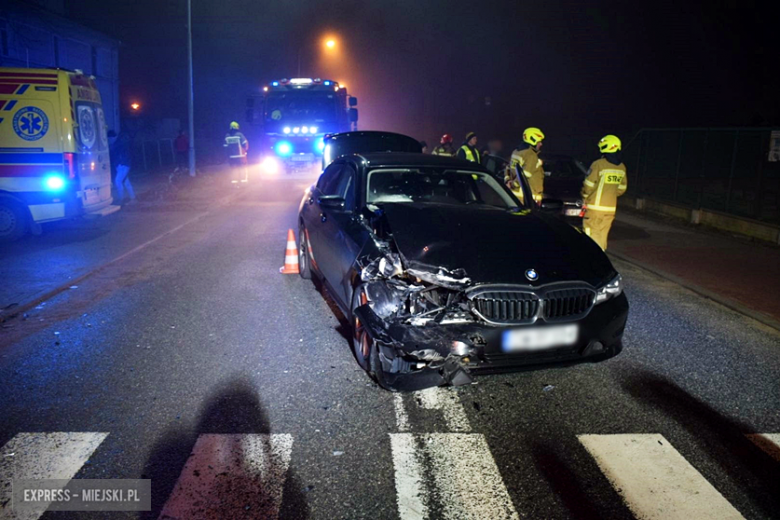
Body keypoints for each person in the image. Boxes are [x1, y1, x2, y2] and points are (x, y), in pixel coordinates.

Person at [581, 135, 627, 251]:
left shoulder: (598, 164)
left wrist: (585, 197)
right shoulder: (622, 167)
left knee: (590, 235)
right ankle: (601, 258)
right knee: (602, 236)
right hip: (610, 209)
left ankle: (593, 261)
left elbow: (588, 185)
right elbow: (622, 188)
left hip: (594, 209)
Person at [505, 127, 545, 203]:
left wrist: (507, 181)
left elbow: (508, 168)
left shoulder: (516, 151)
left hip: (516, 196)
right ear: (533, 140)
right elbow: (525, 175)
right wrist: (513, 184)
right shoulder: (530, 155)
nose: (541, 144)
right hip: (528, 198)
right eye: (539, 142)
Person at [108, 130, 136, 204]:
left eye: (110, 138)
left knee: (118, 181)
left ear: (112, 138)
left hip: (122, 165)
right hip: (124, 165)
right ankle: (132, 198)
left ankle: (121, 199)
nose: (109, 140)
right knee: (126, 182)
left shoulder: (116, 144)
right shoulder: (118, 143)